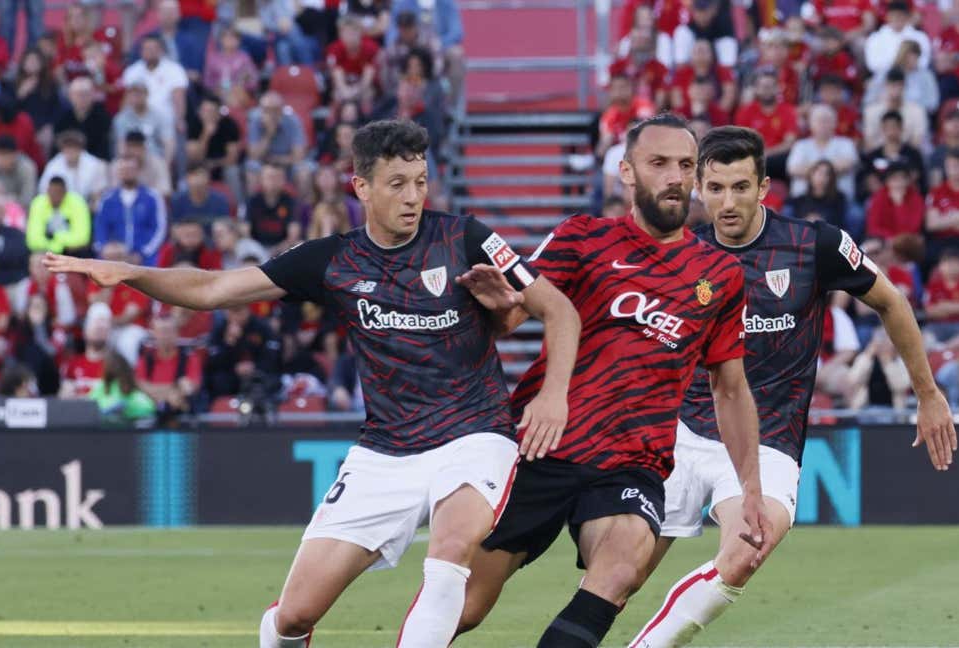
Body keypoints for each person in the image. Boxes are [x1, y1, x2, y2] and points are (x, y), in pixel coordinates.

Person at [44, 118, 580, 648]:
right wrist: (128, 273)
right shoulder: (334, 259)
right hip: (386, 450)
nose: (413, 196)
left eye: (420, 181)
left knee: (450, 551)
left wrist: (552, 395)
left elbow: (558, 310)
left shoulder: (464, 237)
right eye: (397, 184)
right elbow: (215, 289)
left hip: (475, 433)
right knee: (293, 617)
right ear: (362, 187)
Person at [621, 126, 954, 647]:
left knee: (747, 549)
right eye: (714, 188)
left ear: (764, 188)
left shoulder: (815, 244)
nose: (726, 202)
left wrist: (928, 393)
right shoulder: (675, 253)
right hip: (679, 435)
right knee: (621, 573)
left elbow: (891, 301)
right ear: (698, 189)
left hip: (767, 440)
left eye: (739, 187)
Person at [453, 114, 771, 647]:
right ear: (626, 172)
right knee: (465, 607)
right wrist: (499, 303)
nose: (675, 177)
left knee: (624, 562)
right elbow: (511, 317)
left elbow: (731, 389)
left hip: (631, 461)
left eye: (686, 166)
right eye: (659, 163)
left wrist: (753, 489)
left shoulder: (719, 276)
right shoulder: (583, 237)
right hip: (543, 446)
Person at [94, 156, 168, 266]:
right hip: (113, 257)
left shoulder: (152, 197)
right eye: (123, 170)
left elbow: (159, 229)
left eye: (131, 169)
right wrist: (105, 248)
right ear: (118, 172)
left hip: (145, 258)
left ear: (138, 171)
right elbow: (100, 227)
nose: (127, 173)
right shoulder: (107, 199)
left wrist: (142, 253)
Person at [787, 104, 859, 201]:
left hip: (839, 203)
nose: (823, 124)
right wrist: (829, 170)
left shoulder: (846, 143)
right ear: (810, 124)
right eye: (819, 121)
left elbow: (848, 163)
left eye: (827, 120)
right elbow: (793, 169)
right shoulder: (800, 145)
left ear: (835, 123)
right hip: (803, 202)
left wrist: (811, 170)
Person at [38, 130, 110, 206]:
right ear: (62, 149)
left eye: (74, 147)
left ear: (81, 148)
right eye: (68, 147)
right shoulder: (53, 166)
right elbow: (44, 191)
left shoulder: (94, 165)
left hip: (88, 207)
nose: (71, 151)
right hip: (60, 206)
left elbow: (99, 193)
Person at [27, 176, 92, 256]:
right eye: (51, 192)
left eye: (58, 193)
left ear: (65, 192)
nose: (54, 196)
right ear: (47, 191)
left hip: (71, 251)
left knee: (82, 250)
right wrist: (53, 247)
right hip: (46, 251)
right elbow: (33, 240)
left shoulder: (77, 202)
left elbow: (82, 238)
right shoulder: (38, 203)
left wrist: (57, 239)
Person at [865, 0, 930, 76]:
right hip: (885, 78)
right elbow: (872, 64)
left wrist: (906, 66)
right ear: (887, 17)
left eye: (900, 15)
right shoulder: (875, 38)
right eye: (893, 15)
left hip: (913, 75)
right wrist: (897, 64)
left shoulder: (920, 37)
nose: (897, 18)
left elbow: (924, 62)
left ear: (907, 17)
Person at [89, 350, 157, 422]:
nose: (115, 368)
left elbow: (148, 407)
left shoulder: (133, 391)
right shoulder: (102, 386)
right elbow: (88, 406)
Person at [784, 160, 848, 230]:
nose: (821, 178)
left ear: (832, 178)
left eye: (826, 174)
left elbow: (839, 223)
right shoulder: (801, 199)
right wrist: (807, 220)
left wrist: (822, 221)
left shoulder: (839, 198)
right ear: (811, 176)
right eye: (818, 173)